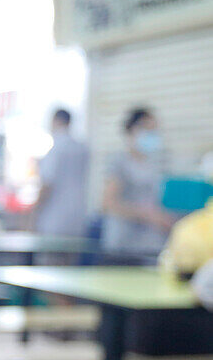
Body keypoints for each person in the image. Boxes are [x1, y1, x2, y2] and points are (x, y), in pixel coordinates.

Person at [101, 107, 174, 260]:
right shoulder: (119, 162)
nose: (151, 134)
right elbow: (108, 203)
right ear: (132, 130)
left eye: (154, 129)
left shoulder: (154, 165)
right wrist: (147, 215)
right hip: (124, 245)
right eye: (147, 128)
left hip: (151, 244)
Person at [34, 109, 89, 238]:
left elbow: (47, 184)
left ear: (55, 121)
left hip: (54, 218)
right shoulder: (82, 148)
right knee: (71, 256)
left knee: (51, 256)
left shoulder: (56, 149)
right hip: (77, 216)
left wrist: (33, 214)